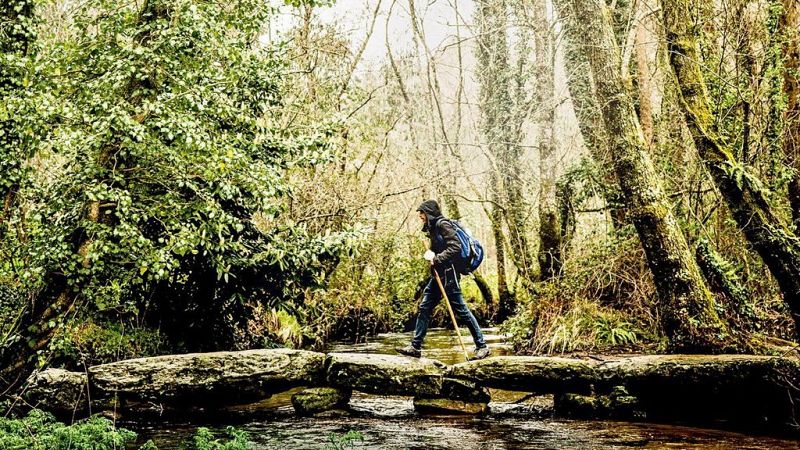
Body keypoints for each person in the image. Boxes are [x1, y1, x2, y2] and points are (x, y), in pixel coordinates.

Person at [397, 199, 490, 360]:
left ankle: (482, 347)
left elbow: (455, 247)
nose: (421, 217)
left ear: (430, 213)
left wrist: (437, 258)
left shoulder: (443, 225)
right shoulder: (433, 229)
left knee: (461, 310)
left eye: (422, 214)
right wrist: (431, 254)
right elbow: (440, 248)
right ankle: (415, 346)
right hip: (438, 275)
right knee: (425, 307)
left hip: (449, 275)